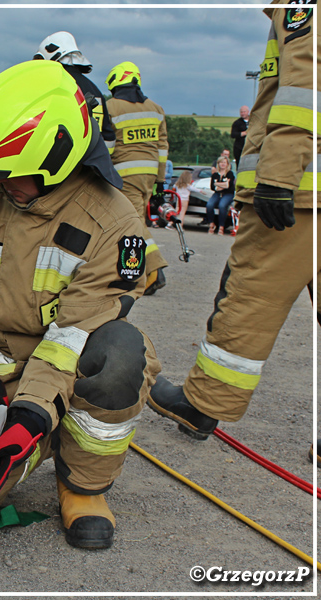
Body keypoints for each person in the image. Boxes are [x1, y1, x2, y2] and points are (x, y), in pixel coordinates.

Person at [0, 61, 161, 551]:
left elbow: (72, 335)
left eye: (10, 175)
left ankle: (84, 486)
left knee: (121, 356)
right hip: (3, 365)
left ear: (58, 158)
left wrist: (32, 415)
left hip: (71, 356)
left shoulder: (114, 222)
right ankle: (31, 439)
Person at [148, 0, 318, 444]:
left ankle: (202, 407)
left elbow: (304, 89)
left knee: (247, 300)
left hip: (299, 194)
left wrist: (279, 176)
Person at [105, 61, 169, 295]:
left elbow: (107, 145)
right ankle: (135, 270)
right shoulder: (156, 109)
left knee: (133, 224)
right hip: (149, 176)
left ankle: (154, 270)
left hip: (124, 175)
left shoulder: (111, 107)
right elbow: (163, 149)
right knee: (137, 219)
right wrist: (160, 182)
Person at [33, 31, 117, 155]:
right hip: (94, 167)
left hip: (61, 166)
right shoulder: (94, 90)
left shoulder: (55, 85)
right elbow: (109, 138)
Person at [206, 156, 236, 235]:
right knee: (209, 205)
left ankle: (221, 226)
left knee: (222, 206)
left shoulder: (230, 174)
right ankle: (211, 224)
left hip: (228, 194)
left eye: (224, 163)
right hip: (217, 193)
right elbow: (212, 187)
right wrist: (223, 185)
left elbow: (229, 187)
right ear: (218, 164)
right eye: (221, 162)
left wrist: (218, 185)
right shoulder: (215, 175)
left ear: (227, 164)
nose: (223, 164)